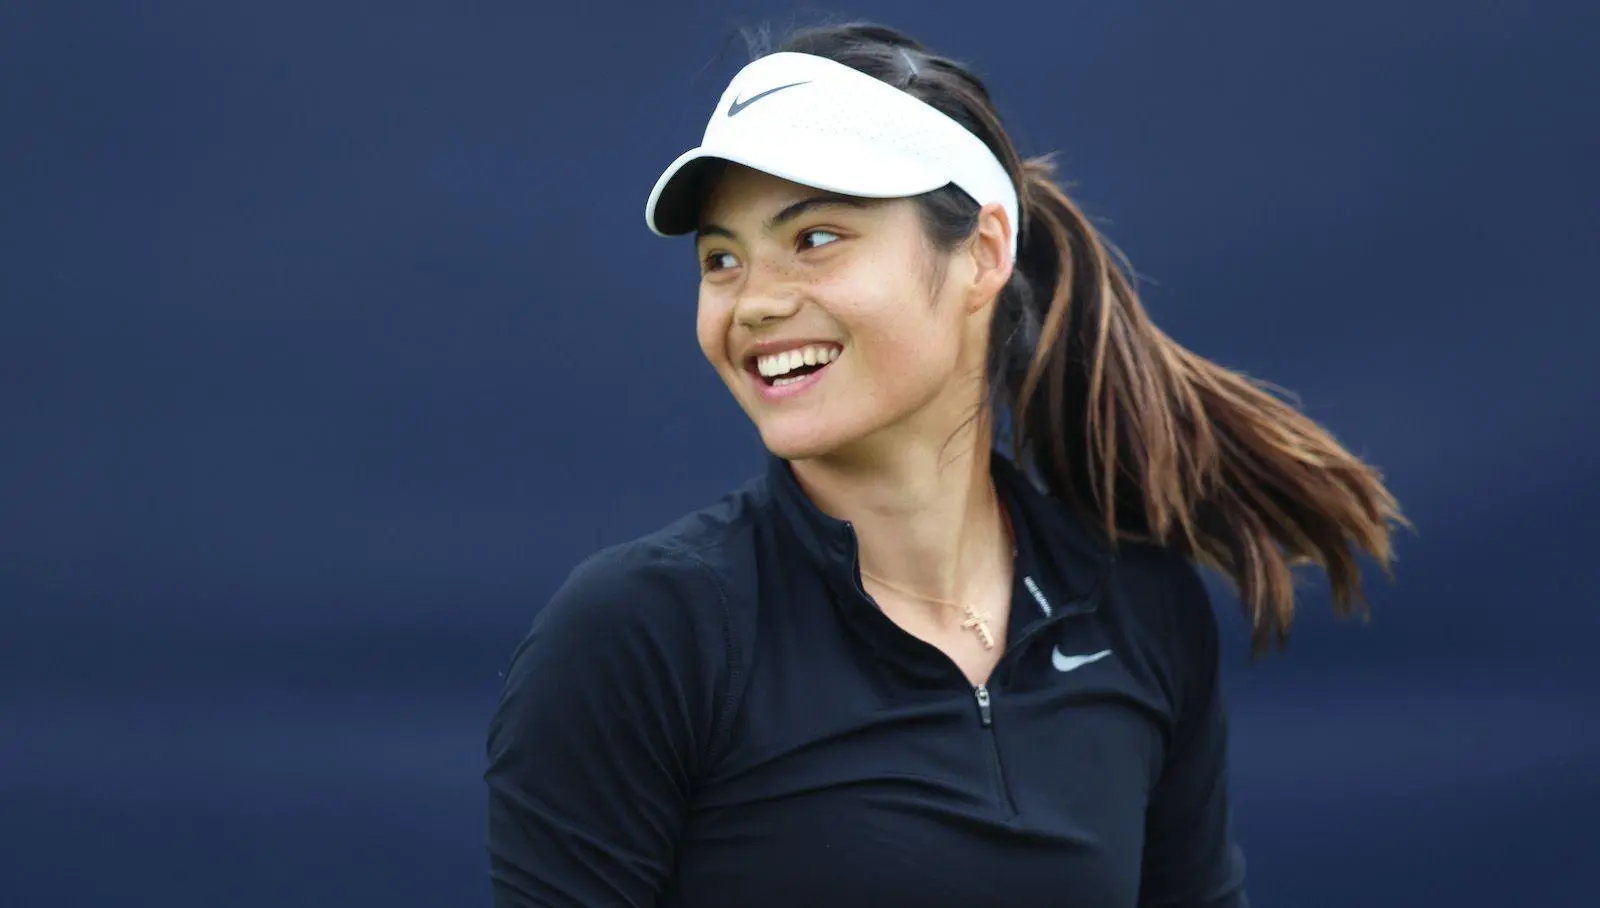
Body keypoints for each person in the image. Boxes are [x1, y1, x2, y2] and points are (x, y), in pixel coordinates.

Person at [484, 21, 1405, 908]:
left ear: (984, 253)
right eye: (721, 259)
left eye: (815, 239)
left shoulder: (1139, 609)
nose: (753, 303)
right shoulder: (639, 636)